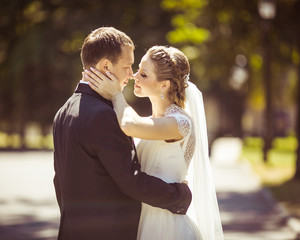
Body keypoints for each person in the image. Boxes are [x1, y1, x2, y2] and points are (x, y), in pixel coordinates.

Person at [53, 27, 193, 240]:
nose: (131, 74)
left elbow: (59, 182)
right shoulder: (104, 115)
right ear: (106, 66)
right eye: (127, 66)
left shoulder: (62, 112)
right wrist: (181, 196)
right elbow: (130, 181)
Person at [84, 45, 224, 239]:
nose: (134, 76)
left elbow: (129, 125)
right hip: (144, 221)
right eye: (137, 70)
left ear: (164, 85)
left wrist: (116, 94)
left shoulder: (180, 123)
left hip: (168, 226)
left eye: (143, 74)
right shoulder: (149, 121)